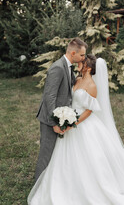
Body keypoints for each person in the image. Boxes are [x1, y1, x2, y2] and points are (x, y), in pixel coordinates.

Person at [28, 55, 124, 205]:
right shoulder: (77, 79)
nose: (79, 63)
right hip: (70, 119)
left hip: (83, 125)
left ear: (88, 67)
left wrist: (72, 123)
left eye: (82, 62)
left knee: (89, 158)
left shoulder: (91, 86)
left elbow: (89, 111)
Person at [34, 37, 87, 181]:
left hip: (61, 117)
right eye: (82, 55)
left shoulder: (69, 67)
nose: (83, 58)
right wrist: (54, 122)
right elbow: (49, 97)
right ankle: (38, 186)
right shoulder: (58, 67)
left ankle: (51, 183)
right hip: (49, 119)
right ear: (73, 53)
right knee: (46, 153)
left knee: (55, 153)